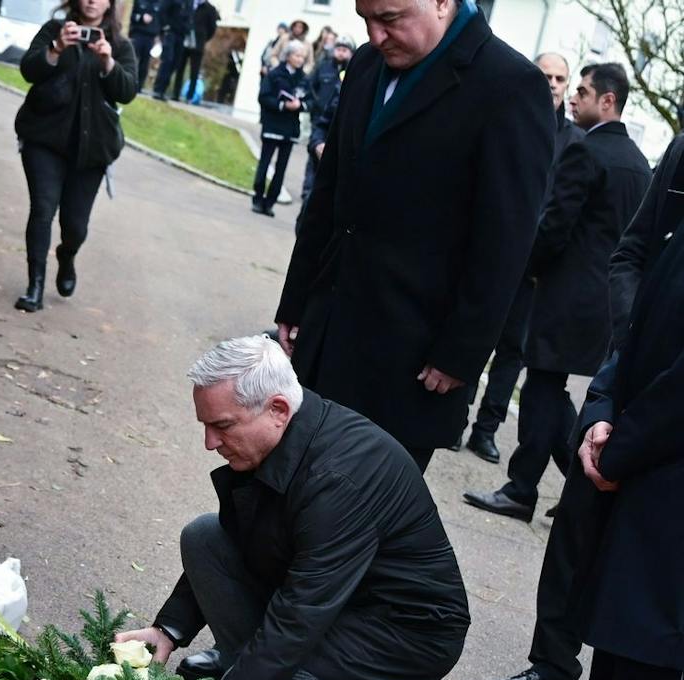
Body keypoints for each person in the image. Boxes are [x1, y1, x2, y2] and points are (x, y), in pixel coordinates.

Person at [476, 126, 684, 680]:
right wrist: (599, 407)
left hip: (665, 481)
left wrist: (621, 439)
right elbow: (639, 298)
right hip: (638, 470)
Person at [113, 336, 470, 680]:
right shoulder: (279, 437)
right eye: (205, 425)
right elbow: (240, 539)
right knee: (204, 538)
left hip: (403, 632)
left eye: (221, 426)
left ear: (278, 408)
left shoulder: (339, 480)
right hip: (338, 604)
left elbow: (298, 620)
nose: (209, 443)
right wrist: (169, 629)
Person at [274, 0, 555, 471]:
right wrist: (296, 301)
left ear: (443, 3)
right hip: (324, 339)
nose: (375, 35)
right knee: (286, 503)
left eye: (390, 19)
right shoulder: (366, 64)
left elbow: (504, 242)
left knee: (357, 526)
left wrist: (460, 354)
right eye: (366, 18)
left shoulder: (509, 86)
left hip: (410, 364)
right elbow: (329, 197)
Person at [464, 64, 650, 519]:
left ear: (608, 100)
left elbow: (554, 226)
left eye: (582, 92)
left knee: (542, 388)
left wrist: (527, 269)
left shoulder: (586, 152)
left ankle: (521, 489)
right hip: (608, 299)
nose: (573, 99)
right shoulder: (638, 163)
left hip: (566, 294)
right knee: (555, 392)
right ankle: (581, 480)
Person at [462, 52, 586, 462]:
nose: (552, 82)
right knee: (473, 334)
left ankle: (486, 429)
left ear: (567, 87)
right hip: (492, 253)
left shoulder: (576, 143)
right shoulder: (511, 115)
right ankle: (455, 417)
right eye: (546, 74)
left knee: (513, 351)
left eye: (560, 78)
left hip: (534, 269)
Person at [11, 0, 139, 311]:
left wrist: (108, 61)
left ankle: (67, 255)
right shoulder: (54, 31)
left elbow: (127, 92)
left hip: (92, 149)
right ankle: (35, 287)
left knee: (75, 226)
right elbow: (29, 70)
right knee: (42, 210)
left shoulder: (120, 45)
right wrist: (55, 49)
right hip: (45, 140)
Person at [298, 38, 354, 223]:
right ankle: (307, 193)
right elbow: (310, 86)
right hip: (320, 120)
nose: (341, 53)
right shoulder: (324, 67)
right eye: (339, 48)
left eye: (345, 50)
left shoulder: (353, 77)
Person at [252, 41, 310, 216]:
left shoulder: (304, 79)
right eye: (297, 55)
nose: (300, 60)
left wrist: (301, 105)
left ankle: (270, 202)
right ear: (288, 56)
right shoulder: (275, 74)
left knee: (281, 168)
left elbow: (312, 100)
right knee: (264, 163)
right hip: (273, 124)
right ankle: (258, 198)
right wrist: (283, 105)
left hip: (290, 129)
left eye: (302, 56)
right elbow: (263, 97)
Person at [163, 0, 220, 102]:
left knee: (194, 71)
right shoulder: (188, 4)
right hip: (184, 40)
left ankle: (189, 97)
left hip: (198, 44)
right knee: (179, 68)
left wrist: (203, 38)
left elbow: (212, 28)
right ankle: (176, 94)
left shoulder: (210, 9)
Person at [152, 0, 191, 100]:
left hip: (181, 36)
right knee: (167, 60)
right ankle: (158, 90)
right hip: (170, 33)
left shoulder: (189, 2)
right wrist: (165, 26)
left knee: (175, 63)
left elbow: (189, 17)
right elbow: (162, 10)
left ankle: (163, 90)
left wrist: (187, 29)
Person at [128, 0, 166, 90]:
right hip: (137, 34)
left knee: (145, 63)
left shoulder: (160, 3)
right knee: (132, 59)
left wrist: (160, 38)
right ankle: (129, 82)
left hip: (150, 37)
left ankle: (139, 86)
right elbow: (132, 16)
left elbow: (162, 21)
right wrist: (141, 18)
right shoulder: (139, 1)